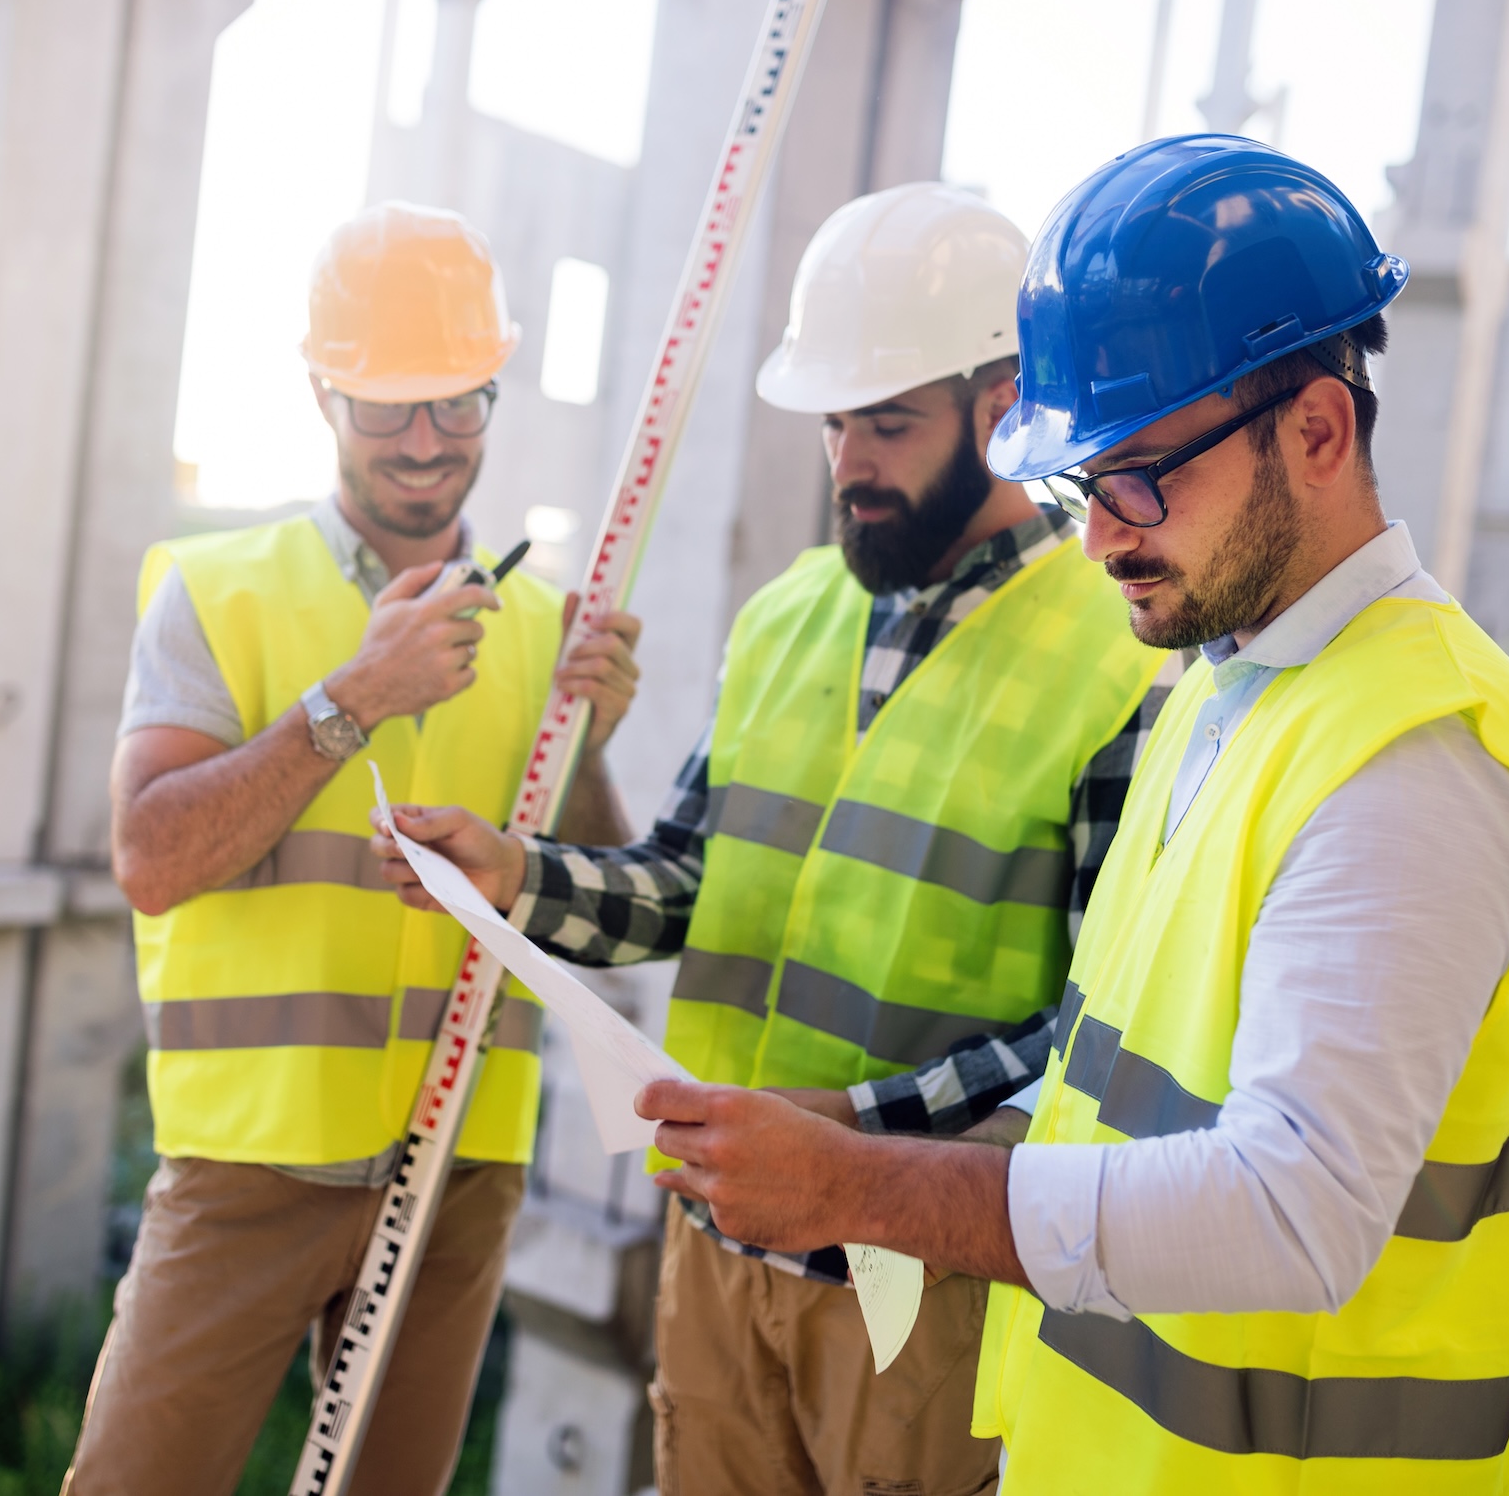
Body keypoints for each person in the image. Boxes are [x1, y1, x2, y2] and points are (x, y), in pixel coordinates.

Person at [635, 136, 1509, 1493]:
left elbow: (1293, 1210)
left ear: (1318, 432)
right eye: (1083, 485)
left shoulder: (1418, 753)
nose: (1097, 539)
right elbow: (1099, 1080)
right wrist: (849, 1126)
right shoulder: (1228, 690)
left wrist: (860, 1187)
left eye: (1140, 475)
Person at [376, 182, 1173, 1495]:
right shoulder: (789, 613)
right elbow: (688, 880)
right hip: (718, 1251)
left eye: (888, 423)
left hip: (921, 1288)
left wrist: (846, 1141)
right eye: (834, 424)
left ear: (1001, 408)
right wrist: (515, 877)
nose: (849, 463)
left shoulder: (1121, 658)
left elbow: (1102, 1038)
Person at [63, 202, 644, 1496]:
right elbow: (151, 858)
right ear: (321, 393)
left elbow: (602, 923)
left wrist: (592, 747)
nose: (427, 442)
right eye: (386, 408)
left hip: (455, 1176)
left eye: (457, 402)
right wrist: (351, 700)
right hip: (246, 1168)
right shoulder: (220, 590)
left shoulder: (546, 627)